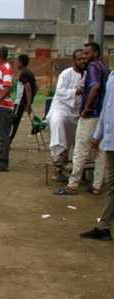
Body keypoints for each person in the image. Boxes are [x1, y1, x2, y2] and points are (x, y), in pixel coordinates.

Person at [56, 42, 109, 196]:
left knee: (80, 149)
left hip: (92, 115)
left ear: (95, 53)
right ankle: (97, 186)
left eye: (87, 53)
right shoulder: (104, 67)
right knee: (100, 151)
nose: (84, 57)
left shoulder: (93, 67)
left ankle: (72, 186)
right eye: (83, 54)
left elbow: (95, 87)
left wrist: (86, 108)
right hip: (102, 115)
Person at [80, 68, 114, 241]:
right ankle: (104, 227)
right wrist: (97, 135)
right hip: (110, 140)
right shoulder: (112, 77)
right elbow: (107, 109)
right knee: (111, 185)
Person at [47, 49, 86, 181]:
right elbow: (60, 92)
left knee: (80, 139)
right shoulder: (66, 74)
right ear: (74, 60)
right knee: (58, 126)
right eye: (79, 59)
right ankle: (58, 169)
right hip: (62, 108)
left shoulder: (87, 74)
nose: (82, 61)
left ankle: (81, 172)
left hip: (78, 112)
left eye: (84, 59)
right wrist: (76, 91)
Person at [10, 54, 38, 142]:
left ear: (21, 62)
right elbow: (36, 88)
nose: (16, 64)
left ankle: (8, 140)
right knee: (15, 121)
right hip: (23, 102)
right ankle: (8, 139)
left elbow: (28, 88)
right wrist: (30, 100)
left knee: (13, 121)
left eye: (17, 62)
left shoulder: (23, 73)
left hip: (20, 102)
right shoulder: (29, 72)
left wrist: (28, 104)